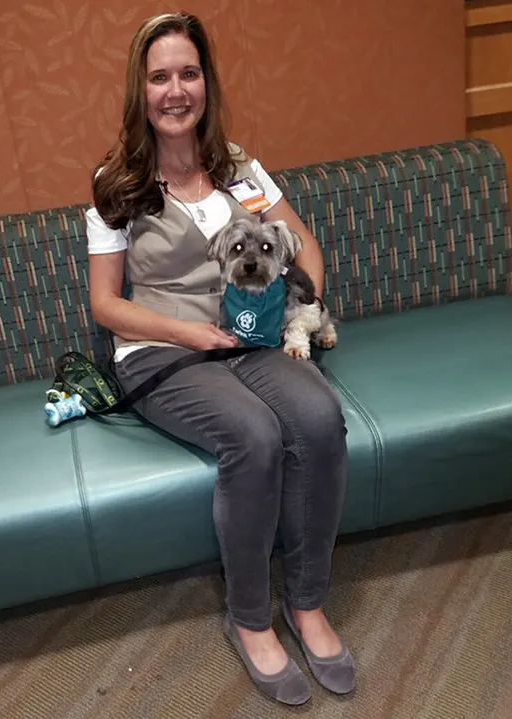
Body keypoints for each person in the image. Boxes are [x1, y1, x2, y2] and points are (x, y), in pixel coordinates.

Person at [86, 12, 355, 705]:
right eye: (159, 76)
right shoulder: (117, 185)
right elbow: (107, 305)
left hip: (249, 339)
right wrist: (193, 336)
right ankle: (248, 617)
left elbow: (306, 246)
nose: (176, 90)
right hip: (162, 354)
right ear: (139, 90)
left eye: (189, 73)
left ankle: (307, 601)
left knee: (321, 417)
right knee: (255, 436)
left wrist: (298, 308)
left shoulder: (240, 169)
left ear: (206, 82)